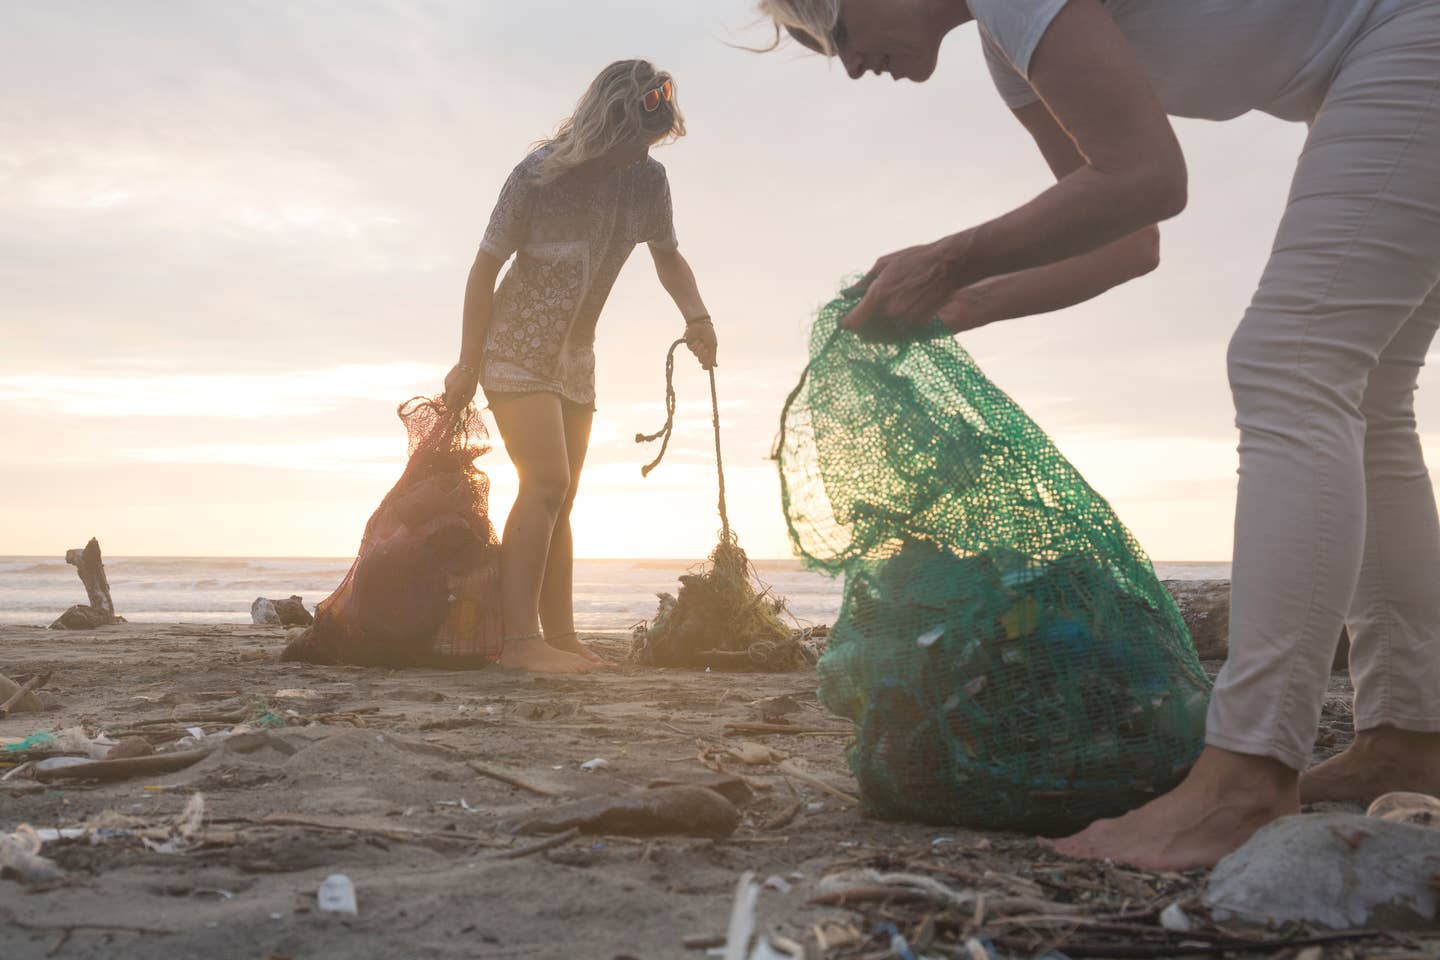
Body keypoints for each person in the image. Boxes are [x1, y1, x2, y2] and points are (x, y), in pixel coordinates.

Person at [755, 0, 1440, 869]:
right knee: (1367, 393)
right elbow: (1129, 239)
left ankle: (1245, 780)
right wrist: (960, 303)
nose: (845, 64)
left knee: (1291, 363)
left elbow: (1150, 176)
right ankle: (1406, 741)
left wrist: (946, 257)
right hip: (1380, 61)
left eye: (834, 31)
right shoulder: (1012, 51)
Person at [444, 59, 719, 675]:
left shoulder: (648, 182)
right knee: (543, 483)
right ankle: (519, 645)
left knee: (562, 498)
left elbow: (668, 257)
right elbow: (484, 267)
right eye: (634, 140)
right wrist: (467, 362)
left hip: (576, 356)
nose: (641, 153)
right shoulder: (537, 176)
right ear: (607, 122)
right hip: (515, 346)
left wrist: (698, 318)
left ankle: (559, 638)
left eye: (651, 141)